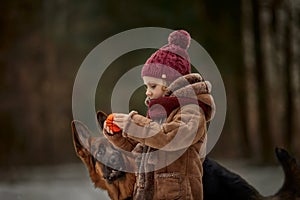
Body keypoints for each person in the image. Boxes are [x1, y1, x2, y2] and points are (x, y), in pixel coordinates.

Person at [103, 30, 215, 200]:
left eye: (152, 86)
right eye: (146, 86)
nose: (147, 92)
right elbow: (140, 146)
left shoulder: (192, 111)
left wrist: (133, 123)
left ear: (170, 84)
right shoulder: (158, 114)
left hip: (179, 194)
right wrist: (118, 134)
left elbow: (169, 137)